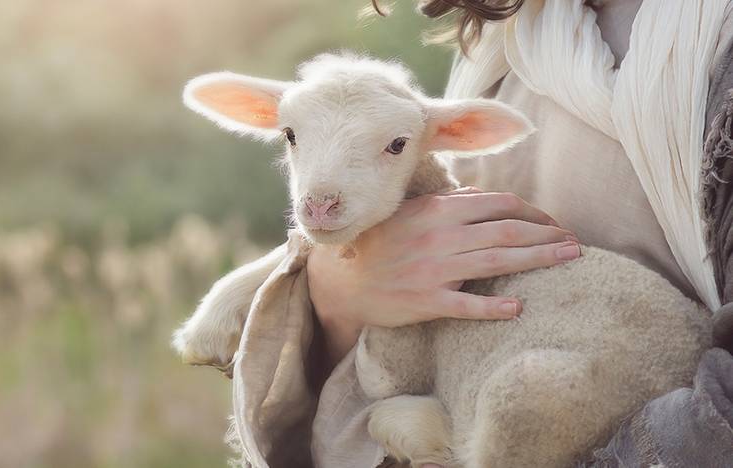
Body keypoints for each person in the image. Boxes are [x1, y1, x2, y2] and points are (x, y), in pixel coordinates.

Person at [215, 0, 733, 466]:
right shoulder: (504, 33)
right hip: (470, 388)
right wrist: (340, 292)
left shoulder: (712, 42)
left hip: (595, 405)